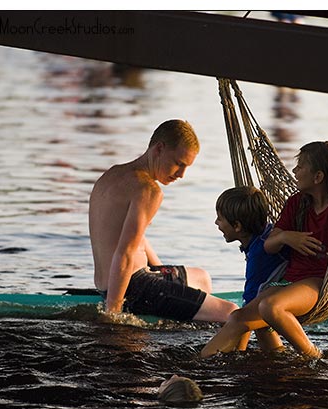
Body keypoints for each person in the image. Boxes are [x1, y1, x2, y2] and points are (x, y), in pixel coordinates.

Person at [201, 141, 328, 358]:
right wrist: (287, 237)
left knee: (271, 307)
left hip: (317, 284)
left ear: (318, 177)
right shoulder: (297, 203)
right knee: (238, 318)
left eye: (300, 166)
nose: (294, 171)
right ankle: (210, 364)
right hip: (286, 282)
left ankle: (315, 357)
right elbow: (269, 244)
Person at [89, 119, 238, 322]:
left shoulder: (111, 175)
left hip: (109, 282)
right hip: (133, 287)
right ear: (159, 149)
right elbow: (124, 253)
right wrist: (113, 313)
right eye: (178, 164)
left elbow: (133, 236)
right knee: (231, 312)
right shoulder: (148, 190)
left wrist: (162, 274)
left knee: (202, 278)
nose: (182, 174)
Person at [214, 186, 289, 352]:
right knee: (262, 328)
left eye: (220, 219)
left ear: (237, 226)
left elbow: (248, 307)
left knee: (242, 317)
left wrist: (238, 352)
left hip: (281, 296)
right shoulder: (266, 232)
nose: (216, 223)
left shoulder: (259, 254)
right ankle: (276, 358)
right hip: (276, 293)